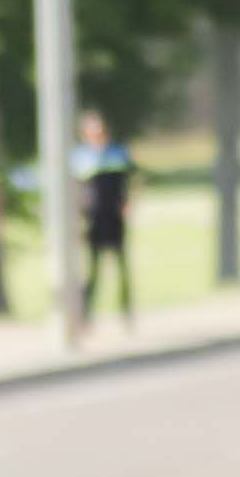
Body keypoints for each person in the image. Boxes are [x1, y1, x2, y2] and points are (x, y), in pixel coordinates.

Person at [73, 110, 135, 328]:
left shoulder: (118, 153)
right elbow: (76, 191)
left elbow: (131, 180)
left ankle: (127, 313)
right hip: (92, 219)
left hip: (114, 217)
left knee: (122, 267)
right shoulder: (80, 157)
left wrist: (128, 204)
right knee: (92, 269)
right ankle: (86, 315)